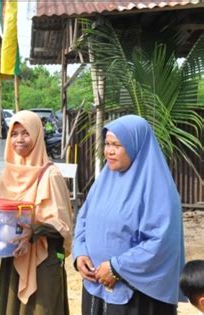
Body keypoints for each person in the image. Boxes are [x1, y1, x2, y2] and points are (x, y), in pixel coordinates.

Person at [73, 114, 185, 314]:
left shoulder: (159, 190)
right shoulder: (104, 181)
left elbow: (161, 242)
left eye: (117, 145)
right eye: (107, 144)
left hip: (136, 297)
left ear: (136, 146)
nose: (109, 151)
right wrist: (80, 252)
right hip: (96, 288)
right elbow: (84, 219)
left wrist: (116, 268)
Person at [0, 110, 73, 315]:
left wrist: (34, 230)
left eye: (26, 133)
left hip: (41, 260)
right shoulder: (8, 174)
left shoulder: (50, 174)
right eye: (14, 134)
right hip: (13, 257)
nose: (19, 139)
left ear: (37, 135)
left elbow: (62, 225)